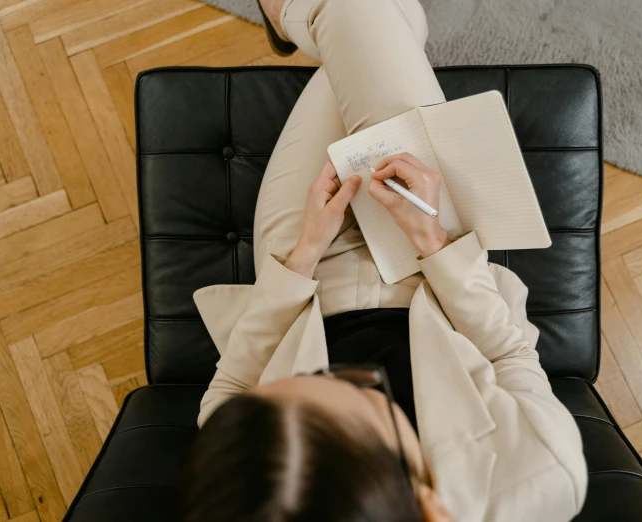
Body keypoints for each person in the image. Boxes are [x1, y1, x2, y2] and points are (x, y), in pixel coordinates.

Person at [180, 0, 588, 521]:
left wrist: (304, 251)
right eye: (371, 396)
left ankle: (290, 17)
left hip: (302, 270)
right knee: (363, 11)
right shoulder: (544, 476)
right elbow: (511, 357)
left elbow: (232, 389)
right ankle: (287, 15)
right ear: (430, 507)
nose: (352, 375)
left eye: (311, 385)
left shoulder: (251, 489)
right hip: (428, 270)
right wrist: (433, 239)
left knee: (362, 21)